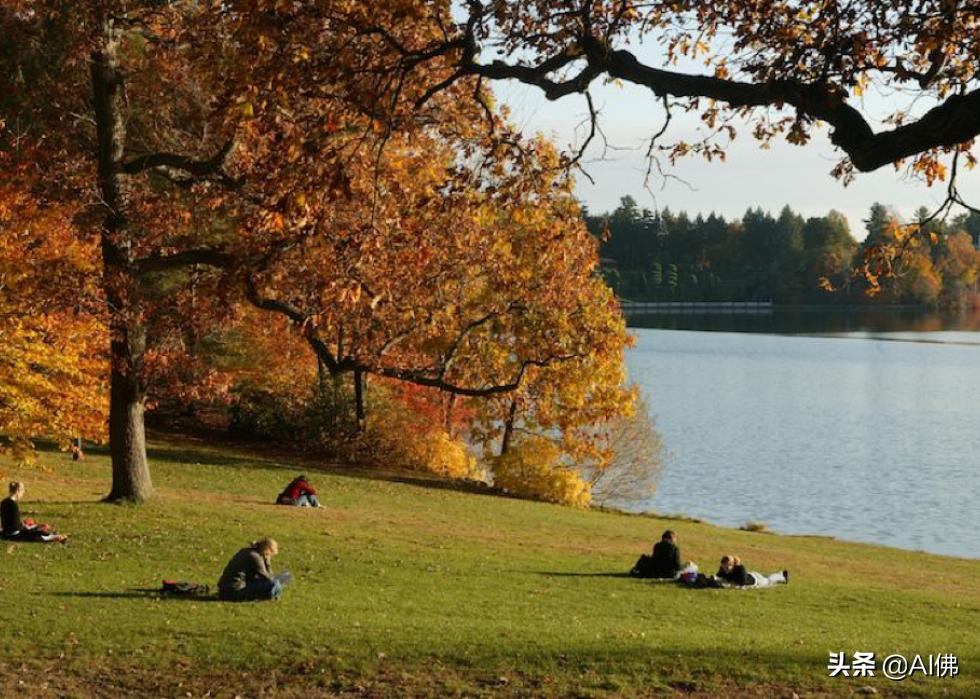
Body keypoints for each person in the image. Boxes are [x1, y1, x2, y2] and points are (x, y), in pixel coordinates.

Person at [218, 538, 284, 602]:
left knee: (275, 581)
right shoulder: (255, 557)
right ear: (267, 551)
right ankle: (272, 596)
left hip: (224, 589)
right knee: (275, 584)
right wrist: (267, 562)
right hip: (235, 591)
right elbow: (268, 578)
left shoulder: (246, 551)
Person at [0, 482, 67, 543]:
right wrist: (30, 527)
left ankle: (54, 536)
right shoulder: (13, 505)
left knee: (35, 531)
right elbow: (16, 526)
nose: (22, 495)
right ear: (18, 491)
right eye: (22, 492)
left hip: (5, 533)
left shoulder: (3, 502)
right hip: (14, 534)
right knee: (36, 533)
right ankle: (55, 537)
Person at [717, 555, 788, 588]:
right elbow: (718, 576)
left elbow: (742, 583)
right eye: (723, 567)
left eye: (726, 567)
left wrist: (729, 579)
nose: (724, 569)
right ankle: (779, 574)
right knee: (767, 576)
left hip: (757, 580)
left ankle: (782, 576)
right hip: (751, 574)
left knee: (769, 580)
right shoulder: (722, 569)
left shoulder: (740, 568)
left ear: (732, 565)